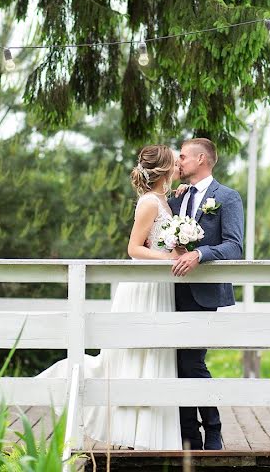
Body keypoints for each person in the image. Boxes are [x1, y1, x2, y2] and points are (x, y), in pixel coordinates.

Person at [37, 144, 182, 450]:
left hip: (161, 286)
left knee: (155, 353)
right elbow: (134, 249)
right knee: (133, 353)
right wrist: (167, 259)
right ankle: (127, 427)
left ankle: (147, 433)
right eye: (174, 161)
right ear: (165, 169)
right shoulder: (148, 203)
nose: (178, 165)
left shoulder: (163, 201)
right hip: (143, 286)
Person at [168, 138, 245, 450]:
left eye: (184, 156)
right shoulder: (177, 199)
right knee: (177, 362)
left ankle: (212, 429)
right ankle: (189, 435)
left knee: (193, 362)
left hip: (204, 292)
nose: (179, 161)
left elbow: (234, 245)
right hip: (170, 291)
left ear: (202, 160)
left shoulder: (226, 197)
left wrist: (201, 254)